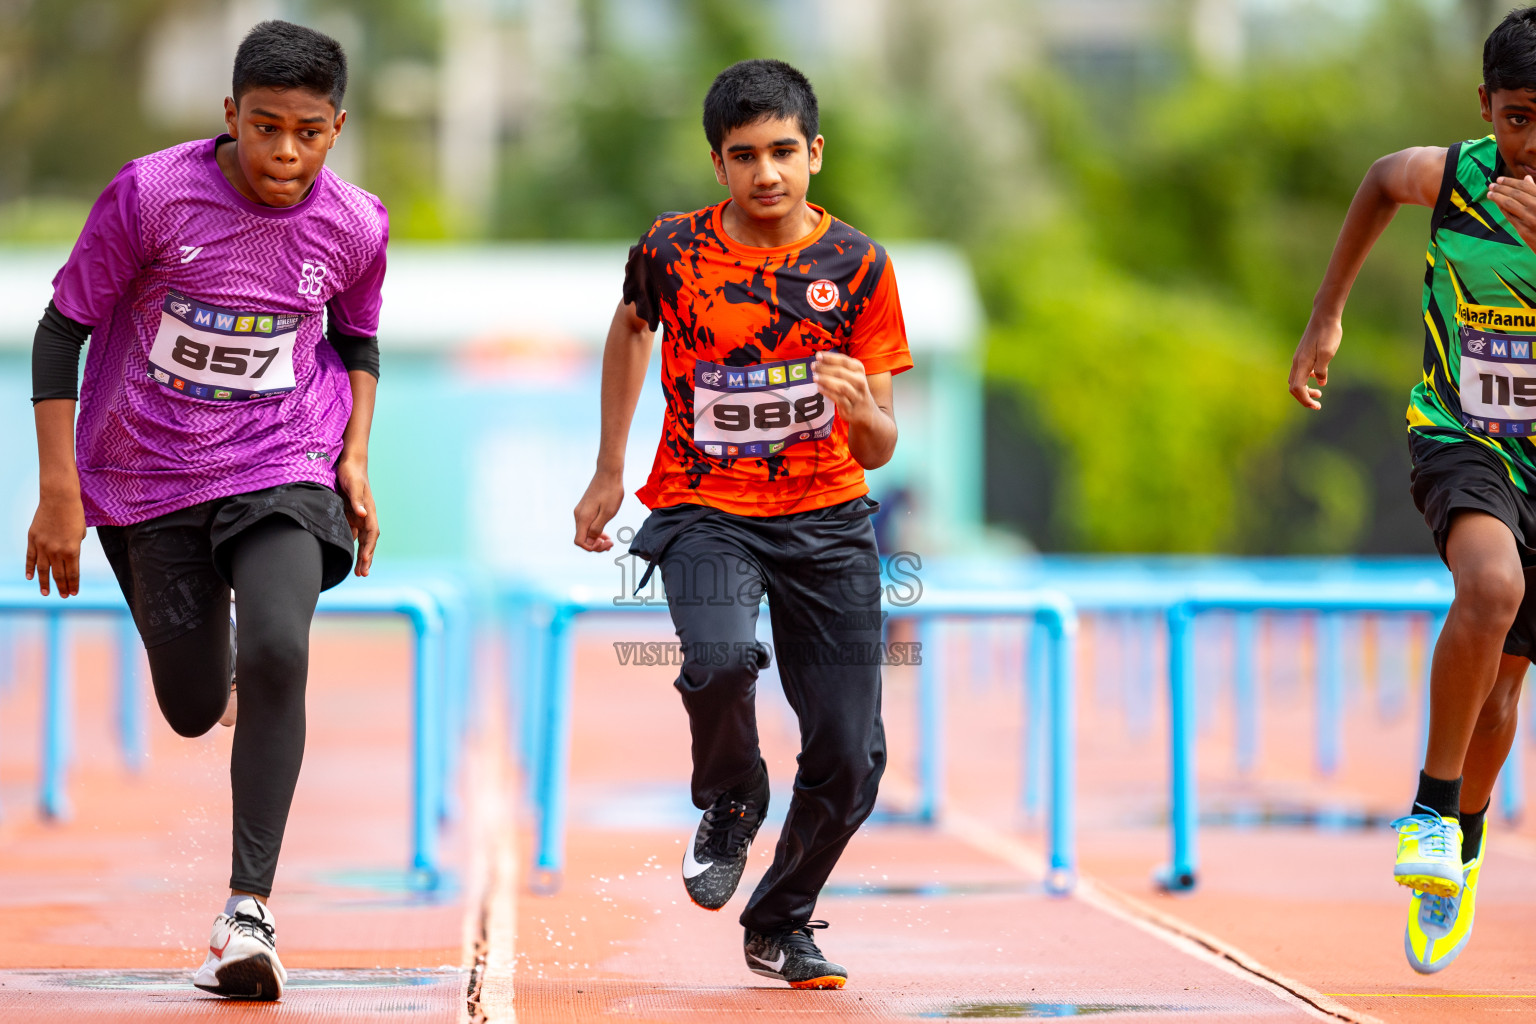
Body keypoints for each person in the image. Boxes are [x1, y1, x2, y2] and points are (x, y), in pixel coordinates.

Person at [24, 20, 385, 1001]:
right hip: (141, 477)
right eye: (264, 127)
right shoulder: (151, 194)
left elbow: (356, 342)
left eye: (307, 132)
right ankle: (219, 671)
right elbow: (62, 334)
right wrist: (58, 491)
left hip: (284, 461)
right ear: (230, 115)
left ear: (335, 128)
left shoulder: (355, 223)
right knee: (191, 708)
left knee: (279, 646)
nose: (284, 153)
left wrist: (352, 456)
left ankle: (247, 912)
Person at [573, 59, 911, 990]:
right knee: (719, 660)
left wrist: (859, 412)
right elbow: (634, 328)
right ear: (718, 162)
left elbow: (882, 445)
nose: (767, 173)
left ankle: (782, 919)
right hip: (702, 507)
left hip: (828, 522)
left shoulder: (859, 267)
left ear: (815, 154)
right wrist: (610, 466)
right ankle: (730, 803)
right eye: (744, 155)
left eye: (784, 153)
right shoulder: (671, 247)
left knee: (850, 756)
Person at [1287, 7, 1536, 975]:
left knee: (1507, 682)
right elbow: (1381, 181)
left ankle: (1465, 841)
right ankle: (1432, 813)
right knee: (1491, 586)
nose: (1531, 145)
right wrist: (1326, 315)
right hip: (1462, 433)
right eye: (1518, 117)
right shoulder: (1459, 177)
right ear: (1486, 108)